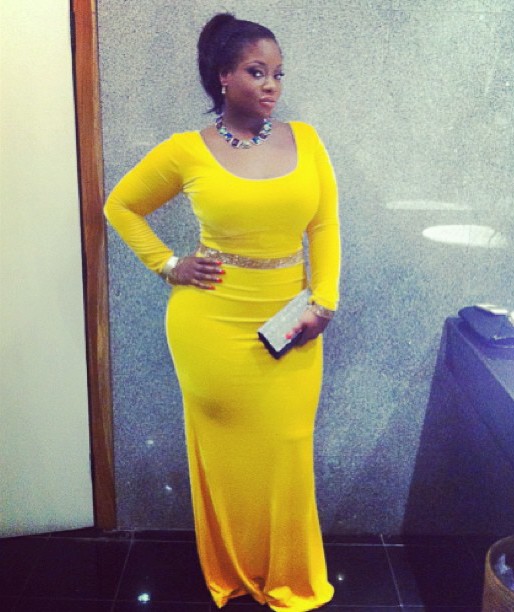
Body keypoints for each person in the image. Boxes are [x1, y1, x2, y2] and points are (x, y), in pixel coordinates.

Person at [104, 12, 340, 612]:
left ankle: (289, 574)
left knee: (288, 446)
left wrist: (325, 300)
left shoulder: (306, 139)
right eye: (256, 72)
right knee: (227, 456)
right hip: (210, 326)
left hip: (293, 321)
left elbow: (324, 226)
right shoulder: (186, 150)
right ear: (223, 77)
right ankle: (233, 570)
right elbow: (120, 206)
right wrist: (167, 264)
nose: (272, 85)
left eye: (278, 73)